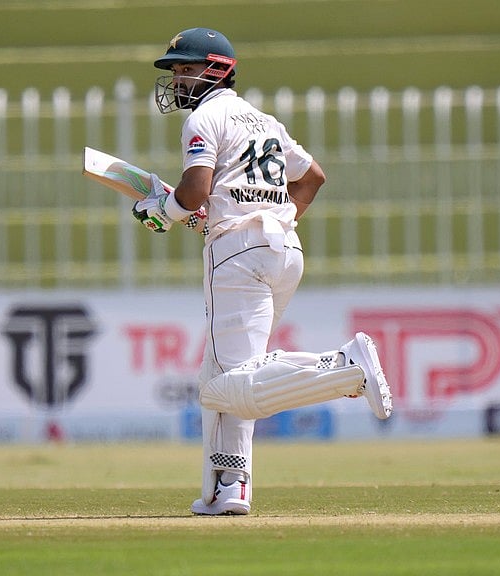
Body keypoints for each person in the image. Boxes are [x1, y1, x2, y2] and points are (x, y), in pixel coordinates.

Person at [131, 28, 393, 515]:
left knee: (224, 385)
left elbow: (192, 192)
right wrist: (275, 218)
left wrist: (159, 212)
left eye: (184, 68)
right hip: (284, 251)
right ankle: (230, 486)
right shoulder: (264, 120)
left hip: (237, 256)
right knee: (227, 371)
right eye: (176, 71)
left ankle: (344, 368)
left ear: (214, 68)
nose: (178, 79)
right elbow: (312, 177)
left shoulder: (205, 118)